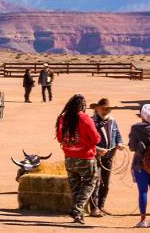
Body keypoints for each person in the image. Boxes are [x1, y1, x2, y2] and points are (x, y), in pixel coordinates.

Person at [56, 93, 104, 226]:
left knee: (75, 186)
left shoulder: (63, 118)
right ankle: (77, 208)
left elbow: (60, 138)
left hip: (69, 158)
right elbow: (96, 139)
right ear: (83, 106)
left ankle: (78, 215)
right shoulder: (85, 118)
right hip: (85, 158)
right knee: (90, 183)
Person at [88, 98, 123, 217]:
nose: (104, 111)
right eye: (102, 108)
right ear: (96, 108)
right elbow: (87, 140)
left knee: (106, 182)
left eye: (107, 109)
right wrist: (98, 149)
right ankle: (94, 208)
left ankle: (101, 206)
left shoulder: (112, 121)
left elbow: (117, 134)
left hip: (109, 155)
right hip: (95, 156)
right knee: (95, 181)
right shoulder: (91, 122)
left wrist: (119, 143)